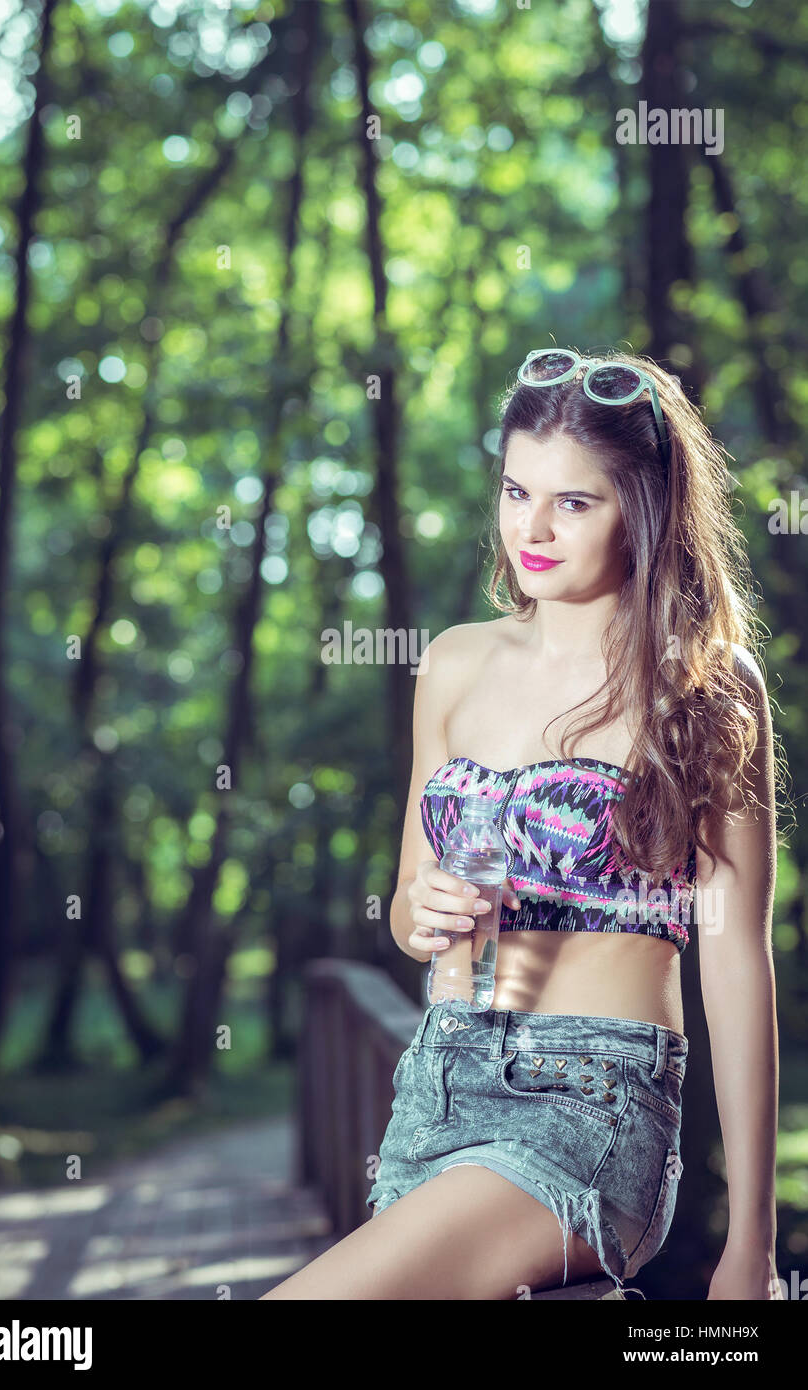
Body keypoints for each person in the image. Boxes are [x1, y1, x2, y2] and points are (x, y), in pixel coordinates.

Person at [260, 347, 783, 1301]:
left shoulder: (701, 684)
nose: (529, 529)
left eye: (572, 503)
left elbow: (737, 962)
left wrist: (748, 1244)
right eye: (514, 491)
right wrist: (422, 912)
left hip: (593, 1104)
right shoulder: (455, 663)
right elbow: (407, 910)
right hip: (438, 1081)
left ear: (647, 509)